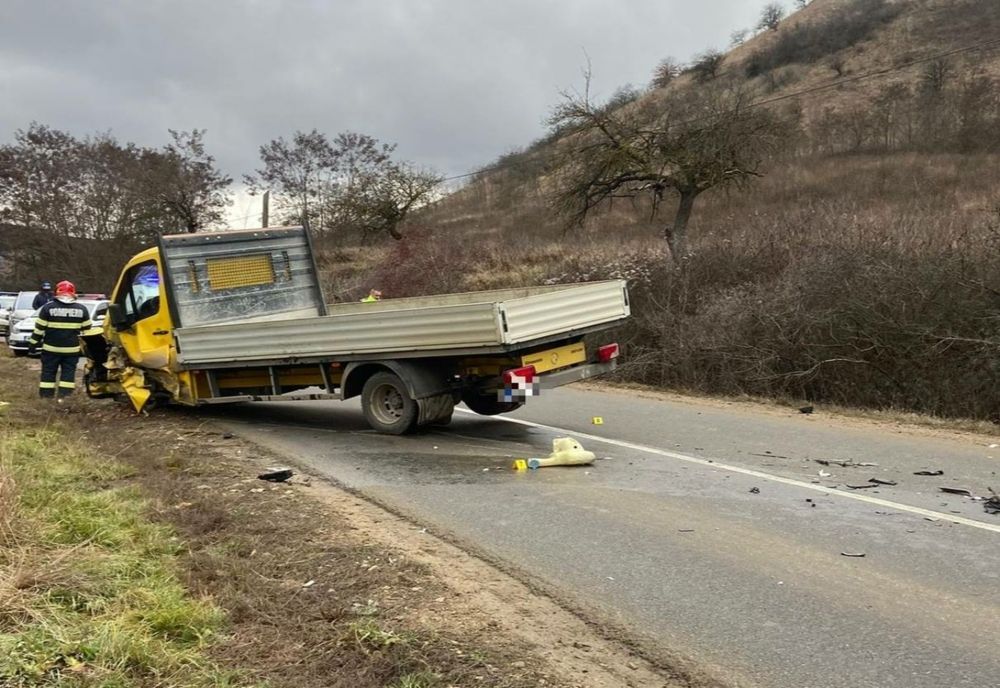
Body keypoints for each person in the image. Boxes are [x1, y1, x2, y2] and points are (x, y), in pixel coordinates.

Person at [28, 281, 92, 400]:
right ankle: (64, 399)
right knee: (68, 375)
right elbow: (87, 330)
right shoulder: (82, 309)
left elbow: (39, 329)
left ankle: (46, 399)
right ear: (73, 293)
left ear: (57, 292)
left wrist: (32, 344)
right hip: (71, 351)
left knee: (48, 374)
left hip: (50, 350)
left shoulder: (48, 308)